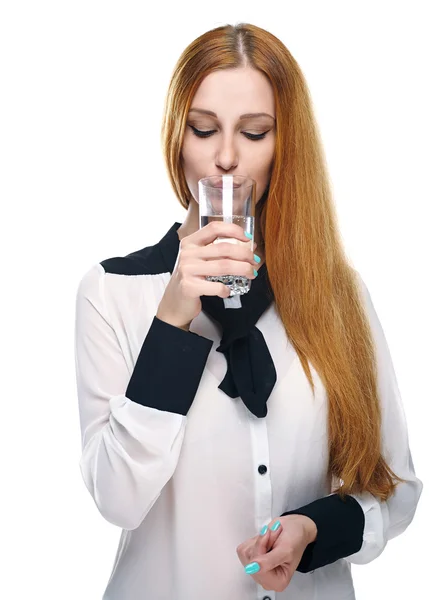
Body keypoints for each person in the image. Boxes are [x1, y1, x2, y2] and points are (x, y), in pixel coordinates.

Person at [74, 22, 423, 600]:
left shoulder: (340, 296)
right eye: (204, 129)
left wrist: (312, 529)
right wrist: (173, 318)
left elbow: (394, 487)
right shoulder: (112, 292)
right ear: (175, 135)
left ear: (286, 143)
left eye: (255, 132)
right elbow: (118, 499)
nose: (227, 158)